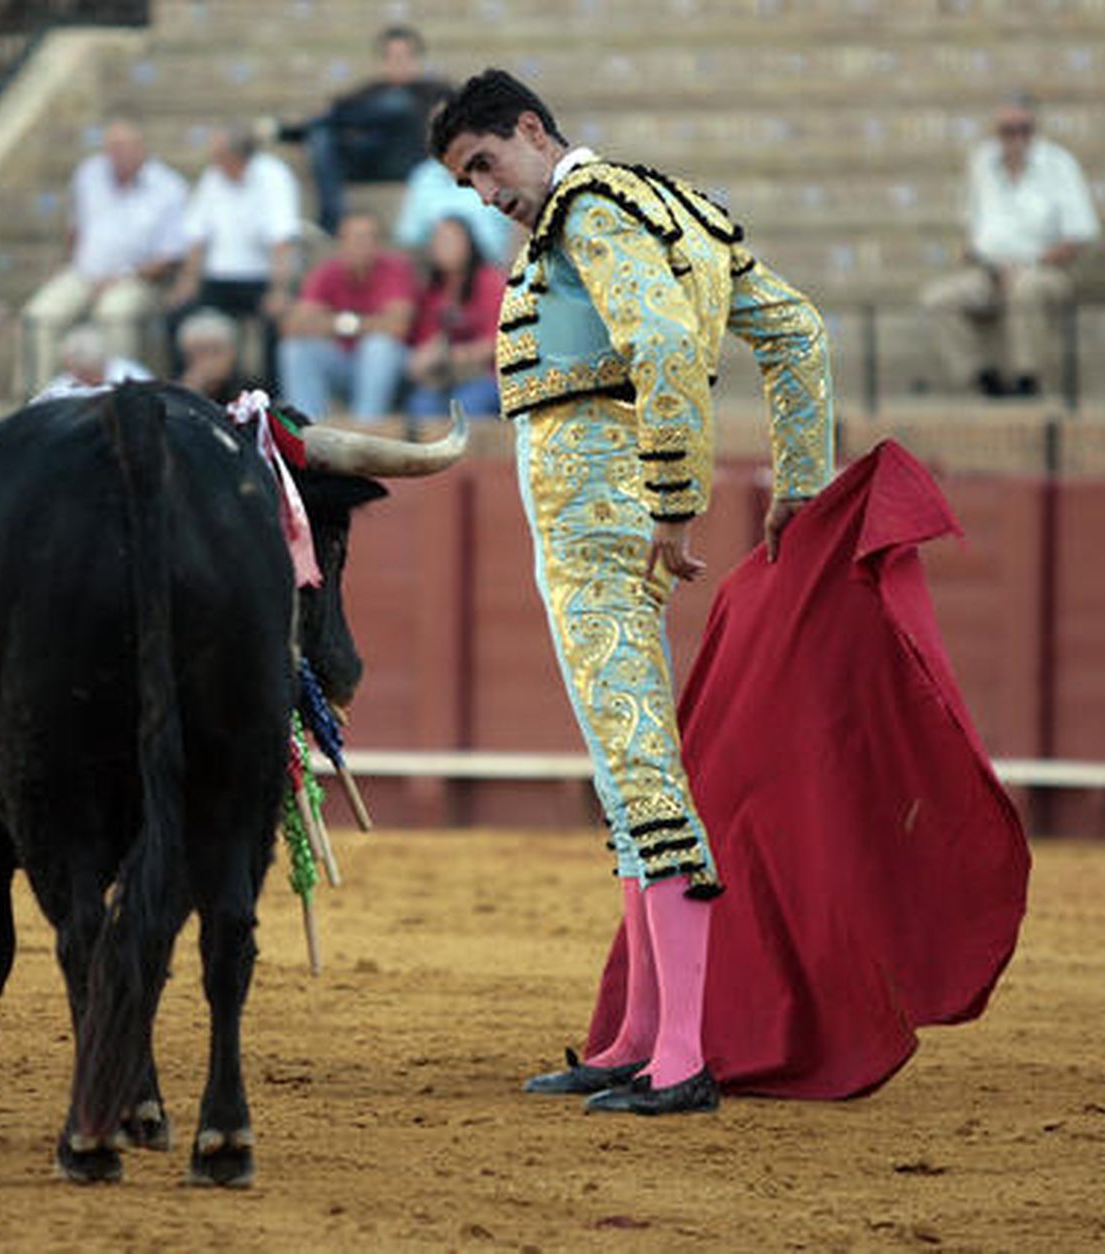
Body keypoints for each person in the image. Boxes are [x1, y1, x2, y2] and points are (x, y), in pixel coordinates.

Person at [433, 69, 835, 1116]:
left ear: (530, 128)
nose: (483, 192)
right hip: (612, 527)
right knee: (626, 775)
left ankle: (681, 1060)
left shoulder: (588, 209)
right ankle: (639, 1036)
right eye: (464, 182)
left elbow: (658, 343)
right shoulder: (675, 208)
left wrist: (673, 502)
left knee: (644, 775)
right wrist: (801, 482)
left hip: (601, 529)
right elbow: (796, 332)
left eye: (483, 163)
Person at [920, 92, 1100, 398]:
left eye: (1023, 129)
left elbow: (1079, 235)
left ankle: (1026, 380)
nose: (1016, 138)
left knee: (1025, 288)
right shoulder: (981, 161)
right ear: (997, 132)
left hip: (1044, 269)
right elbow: (974, 225)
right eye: (1008, 130)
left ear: (1034, 129)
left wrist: (1027, 266)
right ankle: (982, 378)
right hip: (989, 270)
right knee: (937, 299)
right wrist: (979, 258)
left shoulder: (1058, 164)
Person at [20, 119, 188, 393]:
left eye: (123, 148)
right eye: (112, 148)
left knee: (114, 314)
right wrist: (71, 265)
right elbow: (75, 229)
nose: (116, 155)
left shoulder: (168, 186)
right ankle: (40, 400)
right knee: (40, 315)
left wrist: (123, 277)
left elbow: (170, 256)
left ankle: (118, 399)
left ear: (141, 149)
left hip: (138, 279)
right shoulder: (88, 174)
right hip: (84, 273)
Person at [268, 25, 452, 233]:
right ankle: (330, 222)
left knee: (396, 103)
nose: (398, 63)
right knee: (321, 136)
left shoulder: (437, 91)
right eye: (391, 56)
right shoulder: (370, 91)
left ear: (417, 58)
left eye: (404, 56)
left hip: (410, 158)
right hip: (369, 159)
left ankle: (295, 131)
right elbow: (336, 111)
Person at [167, 127, 300, 389]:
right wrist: (187, 281)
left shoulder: (274, 177)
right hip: (218, 278)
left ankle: (269, 397)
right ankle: (184, 392)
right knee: (177, 314)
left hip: (262, 277)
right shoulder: (212, 177)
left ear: (236, 157)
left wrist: (279, 290)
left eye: (217, 155)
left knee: (274, 322)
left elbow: (282, 240)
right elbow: (197, 235)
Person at [277, 208, 417, 421]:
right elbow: (292, 327)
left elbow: (397, 327)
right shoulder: (327, 272)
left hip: (393, 369)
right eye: (356, 238)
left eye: (369, 238)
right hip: (343, 362)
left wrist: (331, 323)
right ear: (341, 243)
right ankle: (306, 434)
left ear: (379, 244)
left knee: (378, 346)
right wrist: (358, 324)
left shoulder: (395, 269)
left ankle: (365, 430)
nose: (363, 245)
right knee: (295, 349)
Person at [404, 215, 504, 419]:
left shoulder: (490, 281)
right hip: (443, 378)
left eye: (451, 240)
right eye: (438, 240)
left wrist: (457, 354)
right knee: (421, 405)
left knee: (469, 405)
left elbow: (499, 341)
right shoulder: (432, 291)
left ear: (469, 243)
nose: (443, 247)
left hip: (489, 376)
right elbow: (425, 345)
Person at [394, 156, 513, 265]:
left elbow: (521, 234)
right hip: (437, 274)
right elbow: (409, 240)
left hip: (495, 271)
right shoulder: (425, 176)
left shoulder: (501, 174)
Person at [174, 307, 257, 404]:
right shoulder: (176, 392)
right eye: (200, 352)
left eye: (215, 351)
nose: (208, 360)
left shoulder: (252, 394)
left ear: (232, 353)